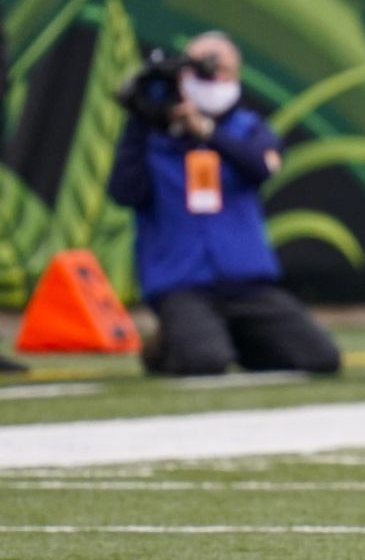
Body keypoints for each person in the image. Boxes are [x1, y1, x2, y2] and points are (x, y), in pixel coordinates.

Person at [107, 31, 341, 377]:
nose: (210, 78)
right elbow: (123, 193)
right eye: (199, 69)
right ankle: (165, 347)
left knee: (321, 358)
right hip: (182, 284)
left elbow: (261, 167)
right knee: (205, 362)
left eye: (219, 69)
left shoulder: (249, 128)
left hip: (247, 284)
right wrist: (140, 118)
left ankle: (236, 340)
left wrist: (205, 132)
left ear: (236, 75)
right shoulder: (151, 135)